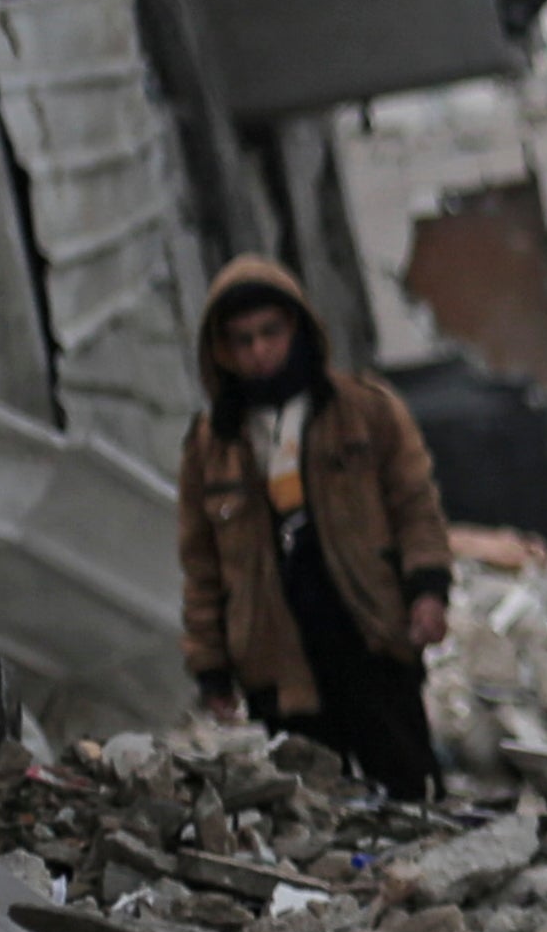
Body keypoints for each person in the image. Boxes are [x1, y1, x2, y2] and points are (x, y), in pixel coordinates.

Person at [174, 255, 457, 804]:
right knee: (316, 810)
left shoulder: (364, 412)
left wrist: (428, 590)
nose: (258, 353)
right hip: (277, 663)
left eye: (269, 334)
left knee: (411, 798)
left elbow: (415, 505)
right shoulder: (212, 448)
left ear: (299, 329)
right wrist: (210, 666)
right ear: (221, 350)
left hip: (368, 638)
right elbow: (201, 564)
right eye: (242, 340)